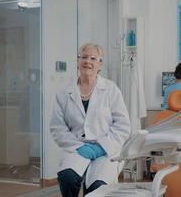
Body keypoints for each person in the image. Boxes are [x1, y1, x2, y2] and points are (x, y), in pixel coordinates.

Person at [50, 43, 131, 197]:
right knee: (67, 176)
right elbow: (57, 127)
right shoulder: (64, 93)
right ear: (78, 61)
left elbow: (123, 125)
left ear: (100, 64)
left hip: (106, 151)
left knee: (97, 187)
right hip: (77, 148)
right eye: (84, 57)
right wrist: (77, 147)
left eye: (93, 58)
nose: (88, 61)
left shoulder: (110, 89)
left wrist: (102, 147)